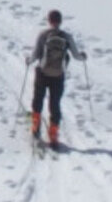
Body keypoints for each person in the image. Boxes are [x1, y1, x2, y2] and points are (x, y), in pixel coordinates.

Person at [26, 10, 88, 148]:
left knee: (38, 99)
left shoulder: (43, 35)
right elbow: (77, 56)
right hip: (58, 75)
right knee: (55, 104)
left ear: (49, 20)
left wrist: (28, 61)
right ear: (60, 21)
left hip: (42, 73)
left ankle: (36, 128)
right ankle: (53, 136)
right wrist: (83, 57)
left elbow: (35, 55)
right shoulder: (66, 36)